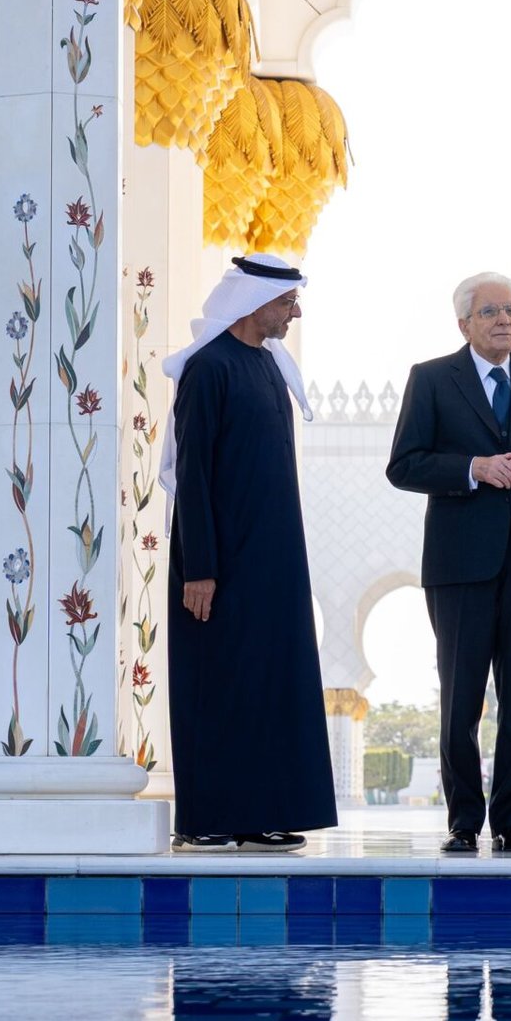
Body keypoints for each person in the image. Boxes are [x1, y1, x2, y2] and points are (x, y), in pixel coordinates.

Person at [387, 274, 511, 857]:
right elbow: (405, 464)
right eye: (491, 311)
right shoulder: (431, 379)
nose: (504, 319)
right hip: (459, 565)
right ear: (464, 323)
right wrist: (473, 468)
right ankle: (463, 821)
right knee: (462, 698)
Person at [160, 255, 337, 850]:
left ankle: (258, 812)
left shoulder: (265, 367)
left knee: (266, 682)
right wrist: (201, 568)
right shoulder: (209, 369)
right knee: (218, 684)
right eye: (288, 302)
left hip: (271, 561)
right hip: (219, 565)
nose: (296, 312)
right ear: (254, 301)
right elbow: (194, 474)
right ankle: (207, 817)